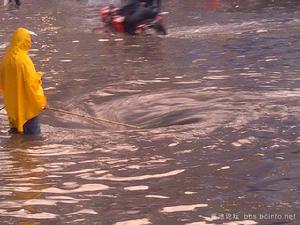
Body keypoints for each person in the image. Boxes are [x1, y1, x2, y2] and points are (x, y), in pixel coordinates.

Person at [0, 28, 47, 135]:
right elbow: (32, 85)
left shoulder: (5, 59)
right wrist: (41, 102)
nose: (30, 42)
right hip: (26, 107)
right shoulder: (24, 60)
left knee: (16, 136)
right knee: (33, 140)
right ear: (25, 40)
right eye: (29, 39)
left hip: (12, 108)